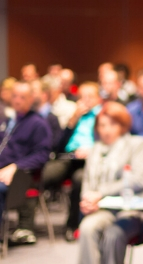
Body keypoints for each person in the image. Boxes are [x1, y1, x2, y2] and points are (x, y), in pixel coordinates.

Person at [78, 102, 143, 264]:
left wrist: (100, 193)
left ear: (122, 125)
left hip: (132, 209)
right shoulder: (95, 149)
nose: (107, 130)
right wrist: (87, 200)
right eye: (102, 125)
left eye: (112, 124)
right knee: (87, 227)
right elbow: (87, 182)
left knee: (113, 234)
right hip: (104, 208)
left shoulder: (137, 144)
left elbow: (138, 180)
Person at [43, 82, 102, 241]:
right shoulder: (75, 115)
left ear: (98, 98)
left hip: (90, 161)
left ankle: (73, 225)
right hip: (68, 158)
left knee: (79, 180)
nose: (86, 100)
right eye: (82, 97)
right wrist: (72, 121)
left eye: (90, 97)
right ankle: (24, 223)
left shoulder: (102, 116)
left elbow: (106, 143)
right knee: (45, 175)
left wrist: (91, 151)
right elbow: (58, 145)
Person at [0, 81, 52, 244]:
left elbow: (41, 156)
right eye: (14, 96)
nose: (17, 100)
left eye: (22, 97)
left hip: (22, 177)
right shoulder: (8, 121)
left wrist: (15, 167)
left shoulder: (38, 124)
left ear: (31, 99)